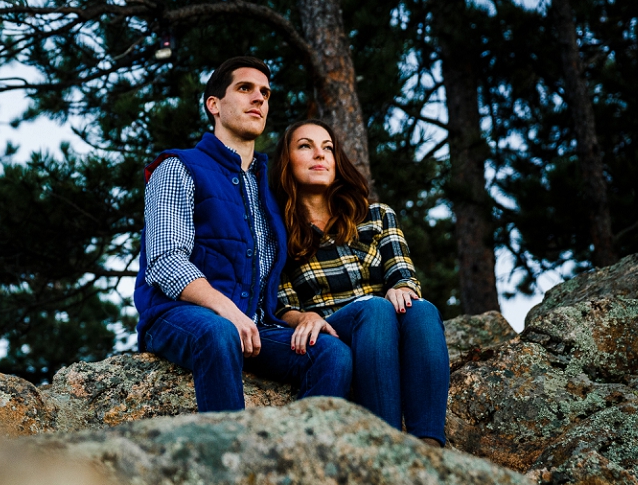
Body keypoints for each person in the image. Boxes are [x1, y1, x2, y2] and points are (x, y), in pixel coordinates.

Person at [134, 56, 353, 410]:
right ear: (214, 105)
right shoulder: (178, 167)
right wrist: (227, 311)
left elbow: (274, 279)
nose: (259, 99)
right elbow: (165, 259)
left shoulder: (270, 187)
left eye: (265, 93)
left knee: (331, 353)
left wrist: (302, 317)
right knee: (219, 332)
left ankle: (298, 460)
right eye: (245, 88)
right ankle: (230, 460)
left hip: (256, 327)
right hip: (178, 316)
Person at [270, 120, 448, 445]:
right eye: (305, 146)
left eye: (328, 148)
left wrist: (403, 288)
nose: (319, 155)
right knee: (375, 308)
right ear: (287, 161)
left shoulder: (376, 215)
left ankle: (429, 446)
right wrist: (303, 318)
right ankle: (385, 444)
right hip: (336, 329)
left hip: (385, 331)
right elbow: (283, 305)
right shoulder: (277, 232)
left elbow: (403, 275)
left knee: (422, 310)